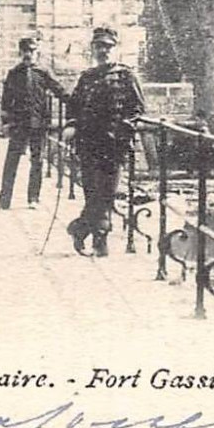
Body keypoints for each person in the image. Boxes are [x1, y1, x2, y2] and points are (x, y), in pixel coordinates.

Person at [64, 26, 146, 257]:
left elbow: (138, 109)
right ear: (93, 49)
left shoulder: (126, 75)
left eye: (108, 47)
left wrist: (126, 128)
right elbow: (74, 107)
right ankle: (96, 240)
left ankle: (83, 231)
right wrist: (71, 125)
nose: (104, 51)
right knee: (92, 192)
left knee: (107, 193)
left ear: (115, 49)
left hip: (114, 146)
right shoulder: (87, 77)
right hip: (88, 144)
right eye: (99, 46)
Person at [0, 36, 67, 211]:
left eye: (32, 51)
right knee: (11, 162)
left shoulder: (43, 73)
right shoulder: (14, 74)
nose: (29, 55)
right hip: (18, 124)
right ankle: (3, 200)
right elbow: (6, 102)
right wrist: (5, 123)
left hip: (38, 124)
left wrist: (76, 103)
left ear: (37, 53)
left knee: (37, 161)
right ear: (20, 52)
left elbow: (59, 90)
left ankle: (33, 198)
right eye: (26, 51)